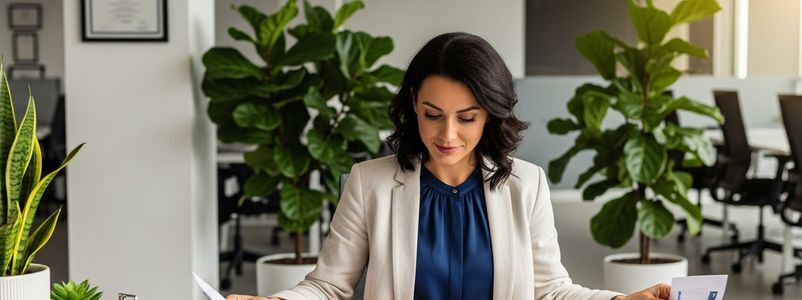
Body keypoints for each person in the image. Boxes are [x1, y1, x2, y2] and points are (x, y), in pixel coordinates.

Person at [227, 32, 671, 300]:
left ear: (491, 115)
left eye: (467, 117)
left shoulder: (526, 184)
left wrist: (617, 298)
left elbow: (550, 289)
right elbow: (328, 287)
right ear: (412, 108)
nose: (447, 136)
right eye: (432, 114)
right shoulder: (370, 184)